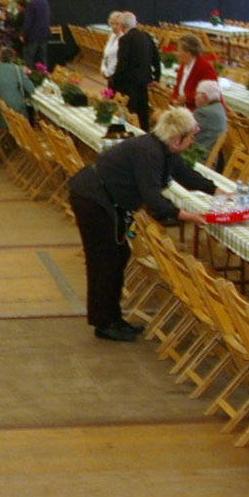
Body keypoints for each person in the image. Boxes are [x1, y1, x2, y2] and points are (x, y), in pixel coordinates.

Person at [67, 106, 216, 341]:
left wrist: (218, 191)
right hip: (93, 199)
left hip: (107, 200)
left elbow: (186, 175)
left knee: (118, 256)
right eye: (190, 137)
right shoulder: (149, 152)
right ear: (176, 139)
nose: (192, 142)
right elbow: (152, 197)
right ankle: (105, 323)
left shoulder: (164, 149)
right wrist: (188, 216)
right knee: (104, 261)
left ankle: (112, 317)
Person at [108, 11, 162, 131]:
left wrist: (114, 81)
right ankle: (144, 132)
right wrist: (156, 77)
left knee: (130, 112)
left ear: (123, 26)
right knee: (143, 110)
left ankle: (131, 132)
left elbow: (122, 64)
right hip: (144, 81)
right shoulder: (147, 36)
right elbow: (156, 58)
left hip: (128, 83)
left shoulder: (125, 39)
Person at [174, 36, 220, 110]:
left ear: (188, 53)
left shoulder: (204, 66)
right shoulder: (183, 66)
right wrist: (175, 99)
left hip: (200, 110)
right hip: (183, 108)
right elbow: (178, 86)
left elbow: (210, 93)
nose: (177, 54)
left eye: (179, 50)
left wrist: (187, 97)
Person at [190, 79, 228, 161]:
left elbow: (186, 132)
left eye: (197, 94)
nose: (195, 97)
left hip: (198, 157)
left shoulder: (203, 113)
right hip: (211, 158)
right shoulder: (219, 109)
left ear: (204, 97)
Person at [19, 0, 52, 71]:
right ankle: (44, 74)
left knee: (28, 55)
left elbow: (28, 21)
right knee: (42, 57)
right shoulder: (45, 3)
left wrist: (23, 34)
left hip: (33, 35)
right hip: (44, 34)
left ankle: (29, 73)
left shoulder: (31, 4)